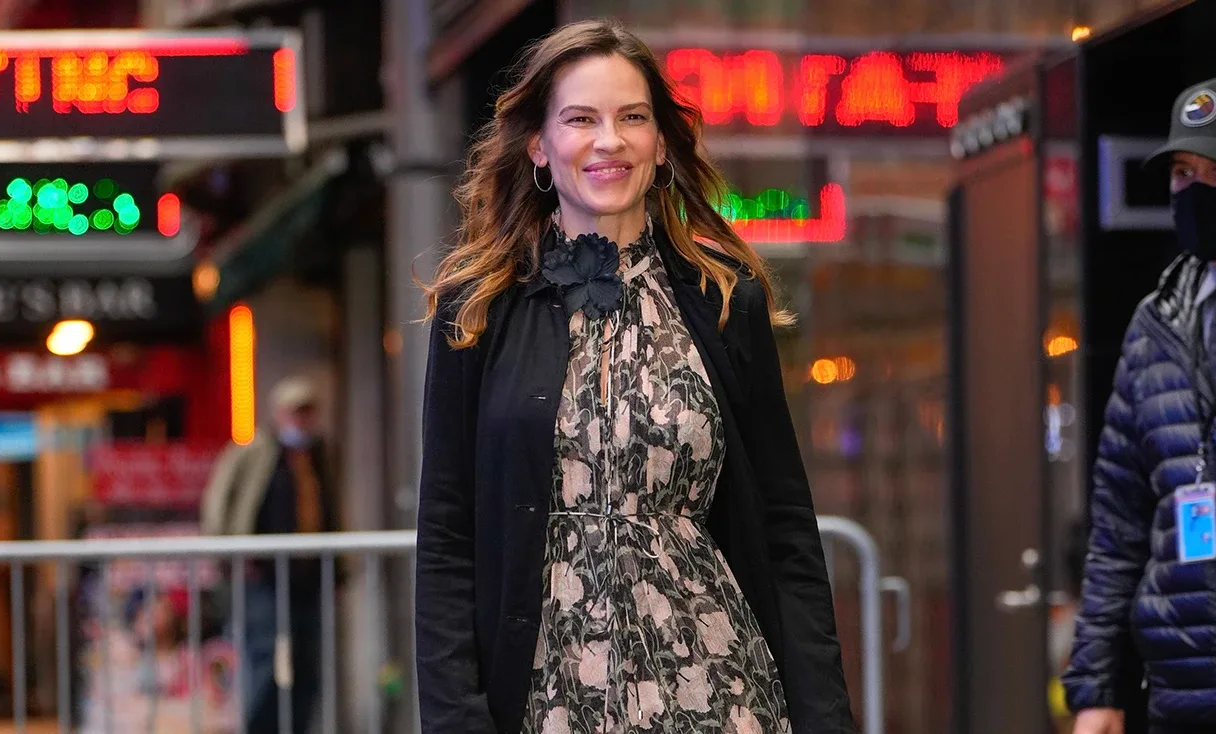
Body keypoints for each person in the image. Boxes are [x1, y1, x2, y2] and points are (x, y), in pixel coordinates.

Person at [414, 18, 853, 734]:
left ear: (658, 144)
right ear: (539, 145)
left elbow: (784, 533)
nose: (609, 141)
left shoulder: (723, 299)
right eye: (581, 119)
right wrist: (457, 718)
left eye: (633, 118)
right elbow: (447, 541)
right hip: (545, 701)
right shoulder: (477, 309)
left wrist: (825, 716)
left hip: (716, 688)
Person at [1065, 76, 1216, 734]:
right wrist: (1097, 688)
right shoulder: (1156, 326)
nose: (1196, 190)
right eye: (1181, 171)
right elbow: (1118, 526)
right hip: (1185, 700)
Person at [200, 375, 338, 734]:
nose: (302, 419)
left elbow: (329, 509)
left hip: (308, 577)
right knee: (264, 658)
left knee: (307, 660)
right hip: (260, 574)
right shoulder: (255, 452)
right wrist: (230, 553)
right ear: (279, 413)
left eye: (308, 411)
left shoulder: (318, 455)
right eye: (296, 411)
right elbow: (219, 502)